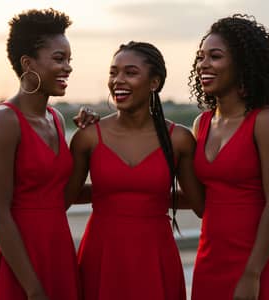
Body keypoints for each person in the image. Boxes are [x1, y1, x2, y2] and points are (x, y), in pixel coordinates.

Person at [65, 41, 204, 300]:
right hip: (101, 254)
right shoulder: (88, 137)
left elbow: (201, 206)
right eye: (113, 72)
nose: (118, 80)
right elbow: (64, 197)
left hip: (155, 256)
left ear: (154, 83)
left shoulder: (179, 139)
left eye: (130, 72)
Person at [188, 14, 269, 300]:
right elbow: (202, 202)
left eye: (215, 56)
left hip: (257, 262)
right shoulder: (201, 124)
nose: (203, 65)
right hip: (210, 259)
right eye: (200, 57)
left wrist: (252, 273)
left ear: (243, 64)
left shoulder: (264, 120)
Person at [0, 8, 80, 300]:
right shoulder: (4, 120)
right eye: (58, 59)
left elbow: (59, 188)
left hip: (58, 250)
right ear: (28, 64)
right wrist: (33, 288)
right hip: (20, 262)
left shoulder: (57, 119)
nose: (67, 67)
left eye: (69, 60)